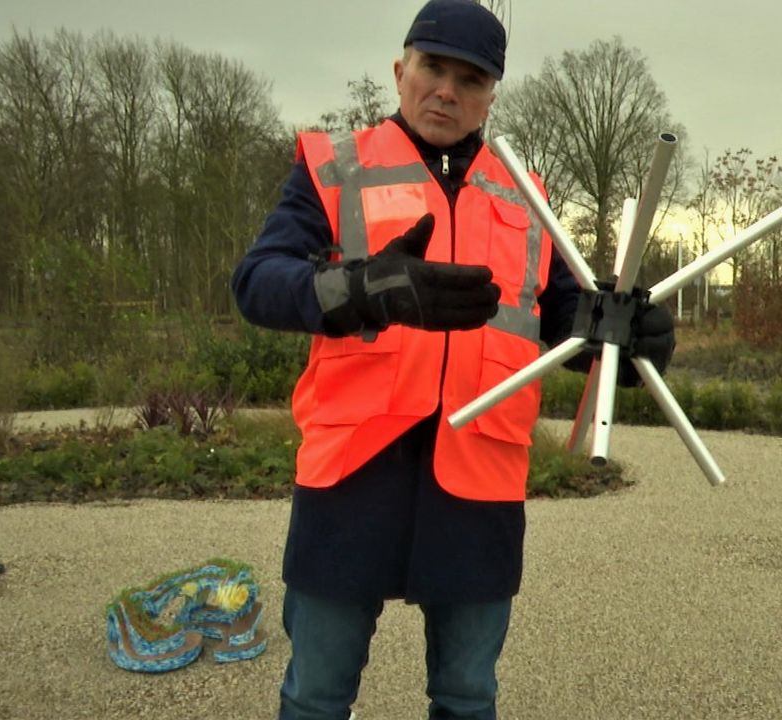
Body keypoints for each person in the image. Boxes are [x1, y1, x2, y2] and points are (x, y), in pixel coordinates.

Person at [231, 1, 675, 718]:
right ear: (400, 70)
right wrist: (362, 287)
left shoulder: (525, 196)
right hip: (352, 475)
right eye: (433, 68)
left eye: (470, 78)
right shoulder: (334, 168)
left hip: (479, 481)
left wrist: (624, 339)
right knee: (315, 696)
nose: (447, 90)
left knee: (468, 697)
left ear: (492, 94)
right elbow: (256, 284)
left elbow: (568, 316)